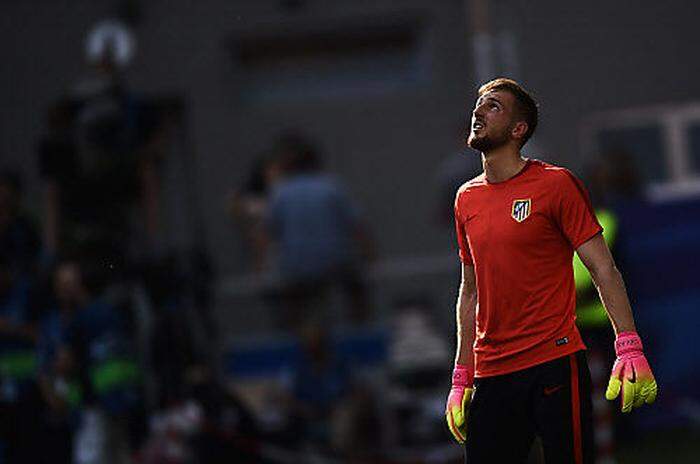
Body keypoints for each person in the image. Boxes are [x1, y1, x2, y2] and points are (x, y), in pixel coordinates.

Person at [444, 78, 658, 463]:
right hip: (492, 374)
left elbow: (602, 267)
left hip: (554, 364)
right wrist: (462, 375)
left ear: (518, 129)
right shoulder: (465, 199)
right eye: (478, 104)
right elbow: (470, 291)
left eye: (493, 106)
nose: (478, 112)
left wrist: (628, 345)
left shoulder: (556, 185)